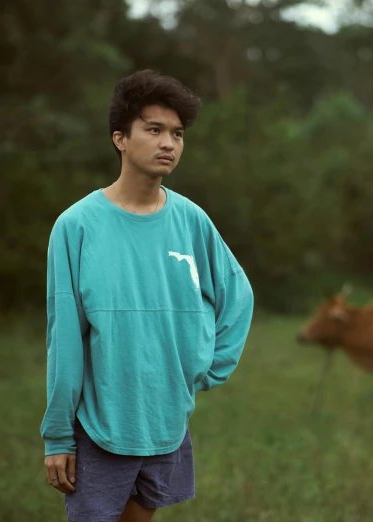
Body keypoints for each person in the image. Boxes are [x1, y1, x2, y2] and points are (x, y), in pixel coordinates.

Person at [40, 69, 255, 522]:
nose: (168, 144)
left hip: (166, 420)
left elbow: (238, 296)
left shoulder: (192, 220)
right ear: (120, 138)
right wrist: (59, 436)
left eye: (177, 134)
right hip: (100, 424)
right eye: (154, 130)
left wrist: (207, 367)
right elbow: (64, 341)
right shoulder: (76, 226)